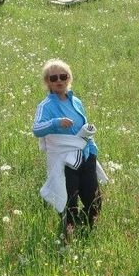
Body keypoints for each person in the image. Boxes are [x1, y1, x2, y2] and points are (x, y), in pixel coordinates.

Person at [33, 59, 105, 241]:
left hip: (86, 156)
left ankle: (87, 231)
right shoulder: (46, 106)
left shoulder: (76, 101)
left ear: (69, 78)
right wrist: (56, 123)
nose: (59, 80)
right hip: (64, 161)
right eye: (54, 77)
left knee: (94, 200)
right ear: (47, 82)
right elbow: (37, 129)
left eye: (63, 76)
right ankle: (69, 235)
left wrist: (92, 151)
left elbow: (84, 127)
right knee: (69, 201)